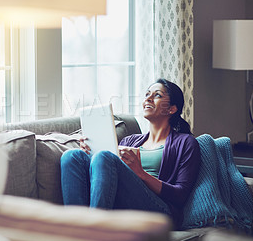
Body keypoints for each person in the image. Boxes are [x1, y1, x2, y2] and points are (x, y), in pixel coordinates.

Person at [60, 78, 201, 228]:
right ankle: (76, 231)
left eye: (157, 95)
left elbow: (180, 195)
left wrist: (141, 173)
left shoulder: (186, 143)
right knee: (72, 156)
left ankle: (96, 231)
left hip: (160, 210)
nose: (148, 98)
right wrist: (90, 152)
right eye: (147, 94)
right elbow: (107, 176)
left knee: (104, 157)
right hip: (123, 200)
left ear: (172, 109)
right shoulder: (130, 141)